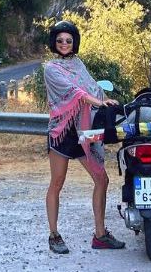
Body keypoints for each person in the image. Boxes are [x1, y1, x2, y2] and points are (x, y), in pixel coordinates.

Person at [43, 20, 126, 254]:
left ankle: (100, 235)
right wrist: (97, 101)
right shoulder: (51, 68)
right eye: (59, 40)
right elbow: (75, 92)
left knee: (102, 179)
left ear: (74, 42)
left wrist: (107, 101)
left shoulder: (78, 64)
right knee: (57, 182)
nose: (64, 44)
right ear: (54, 43)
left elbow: (91, 86)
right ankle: (54, 234)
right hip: (62, 132)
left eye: (68, 40)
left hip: (85, 130)